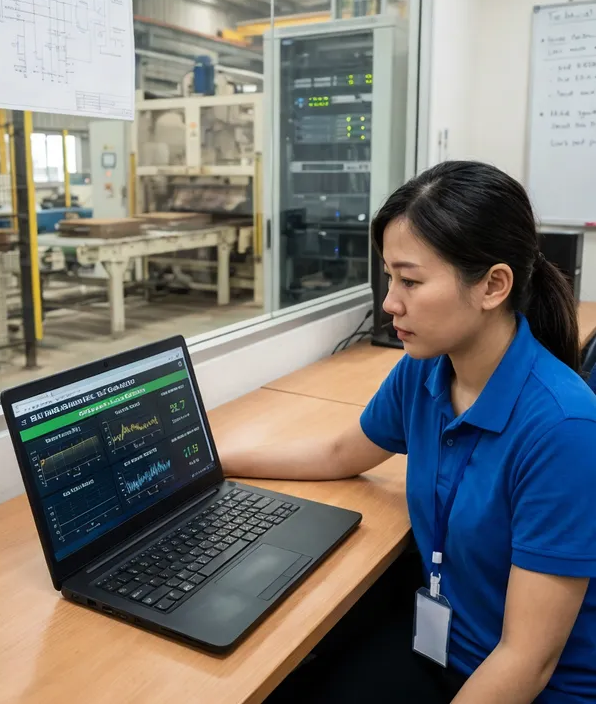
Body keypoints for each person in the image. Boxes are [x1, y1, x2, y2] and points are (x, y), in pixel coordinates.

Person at [220, 161, 596, 704]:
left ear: (493, 285)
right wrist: (213, 462)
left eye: (411, 281)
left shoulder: (565, 430)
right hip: (441, 651)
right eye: (390, 277)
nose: (389, 302)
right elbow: (338, 452)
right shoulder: (427, 367)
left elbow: (525, 661)